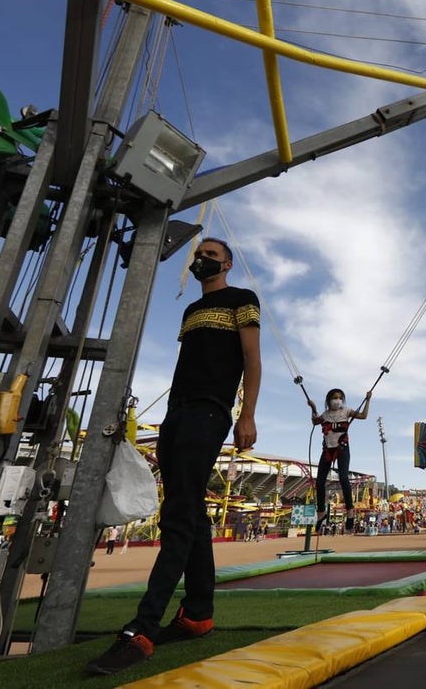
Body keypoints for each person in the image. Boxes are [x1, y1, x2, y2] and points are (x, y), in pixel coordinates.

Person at [87, 237, 261, 676]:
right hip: (177, 412)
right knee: (192, 511)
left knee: (179, 514)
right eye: (198, 255)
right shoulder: (190, 312)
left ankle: (143, 629)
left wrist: (247, 415)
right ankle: (198, 614)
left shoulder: (242, 299)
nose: (202, 259)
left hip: (211, 409)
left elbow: (251, 359)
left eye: (211, 255)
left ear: (227, 263)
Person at [309, 387, 371, 532]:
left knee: (344, 478)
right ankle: (321, 512)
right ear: (329, 400)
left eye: (339, 398)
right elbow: (314, 421)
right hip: (327, 450)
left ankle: (350, 511)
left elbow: (363, 415)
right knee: (319, 482)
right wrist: (313, 408)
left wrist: (368, 400)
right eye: (334, 398)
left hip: (342, 448)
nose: (337, 400)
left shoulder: (347, 411)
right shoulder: (325, 415)